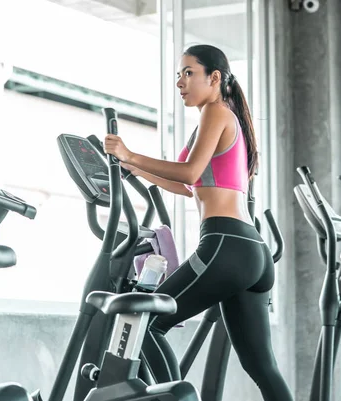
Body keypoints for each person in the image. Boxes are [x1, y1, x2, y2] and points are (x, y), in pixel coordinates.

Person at [103, 44, 293, 401]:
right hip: (251, 250)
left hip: (226, 242)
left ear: (214, 77)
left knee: (146, 323)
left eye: (189, 73)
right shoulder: (220, 118)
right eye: (178, 74)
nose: (180, 82)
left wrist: (129, 153)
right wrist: (135, 167)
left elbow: (189, 171)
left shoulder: (216, 112)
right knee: (261, 366)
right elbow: (186, 185)